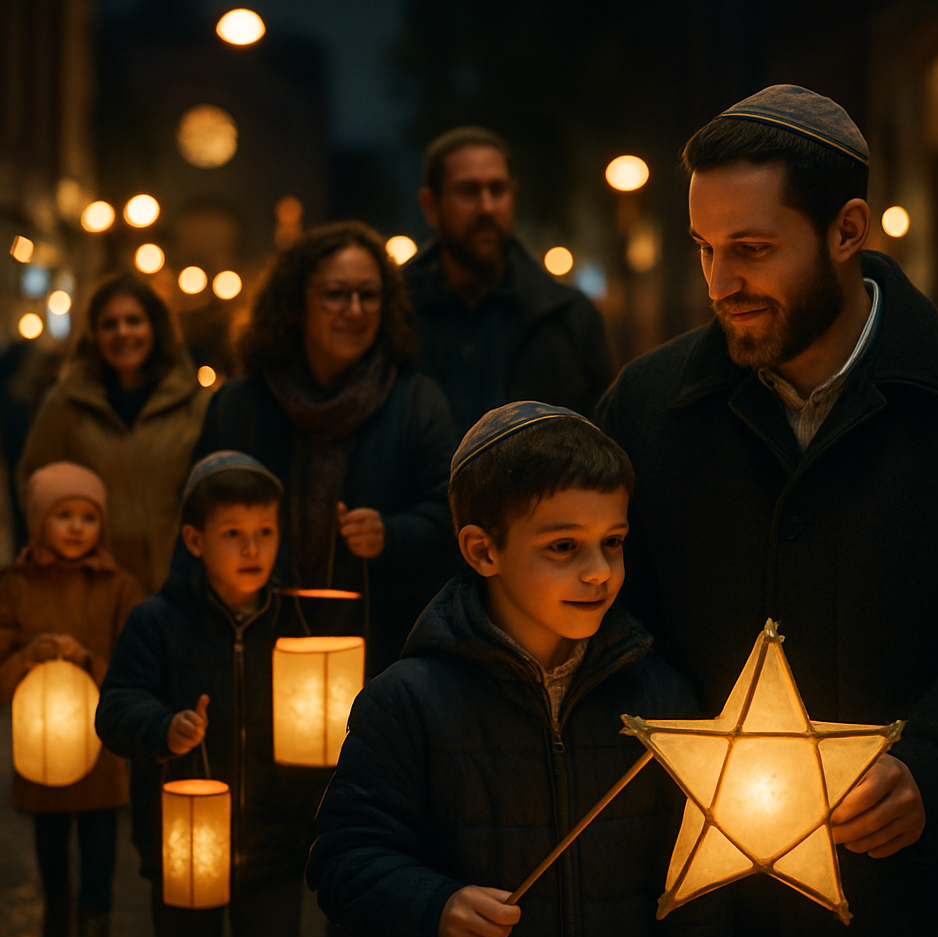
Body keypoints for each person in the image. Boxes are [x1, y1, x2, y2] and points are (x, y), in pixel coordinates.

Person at [598, 84, 938, 937]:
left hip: (905, 920)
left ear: (848, 230)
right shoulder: (648, 404)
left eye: (752, 250)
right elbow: (611, 624)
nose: (719, 284)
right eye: (705, 250)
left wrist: (936, 766)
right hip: (707, 931)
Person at [306, 402, 736, 937]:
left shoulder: (660, 701)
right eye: (563, 546)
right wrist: (434, 909)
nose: (599, 573)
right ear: (483, 551)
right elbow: (344, 859)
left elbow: (698, 912)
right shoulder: (408, 702)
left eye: (611, 543)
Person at [95, 452, 330, 937]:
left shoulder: (296, 622)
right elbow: (116, 707)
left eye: (265, 532)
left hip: (275, 840)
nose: (253, 549)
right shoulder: (157, 621)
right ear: (195, 541)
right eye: (233, 534)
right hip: (183, 845)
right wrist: (163, 727)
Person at [193, 222, 458, 676]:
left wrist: (391, 533)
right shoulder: (242, 405)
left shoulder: (416, 402)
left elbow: (456, 517)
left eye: (368, 295)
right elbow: (196, 522)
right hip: (256, 650)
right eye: (336, 294)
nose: (354, 311)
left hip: (384, 656)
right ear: (296, 302)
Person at [0, 462, 143, 937]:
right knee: (52, 848)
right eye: (64, 515)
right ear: (39, 520)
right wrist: (29, 657)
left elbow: (136, 667)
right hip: (41, 747)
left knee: (101, 848)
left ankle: (94, 930)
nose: (78, 527)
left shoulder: (117, 586)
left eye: (88, 516)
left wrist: (90, 664)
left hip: (99, 750)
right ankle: (57, 918)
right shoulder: (14, 586)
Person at [404, 127, 613, 434]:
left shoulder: (568, 316)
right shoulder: (394, 313)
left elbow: (605, 443)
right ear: (431, 206)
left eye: (497, 190)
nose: (487, 207)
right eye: (468, 191)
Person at [17, 273, 212, 594]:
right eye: (110, 324)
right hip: (93, 588)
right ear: (94, 335)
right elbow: (34, 485)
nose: (123, 333)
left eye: (134, 321)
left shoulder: (195, 404)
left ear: (155, 329)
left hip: (178, 586)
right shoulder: (66, 404)